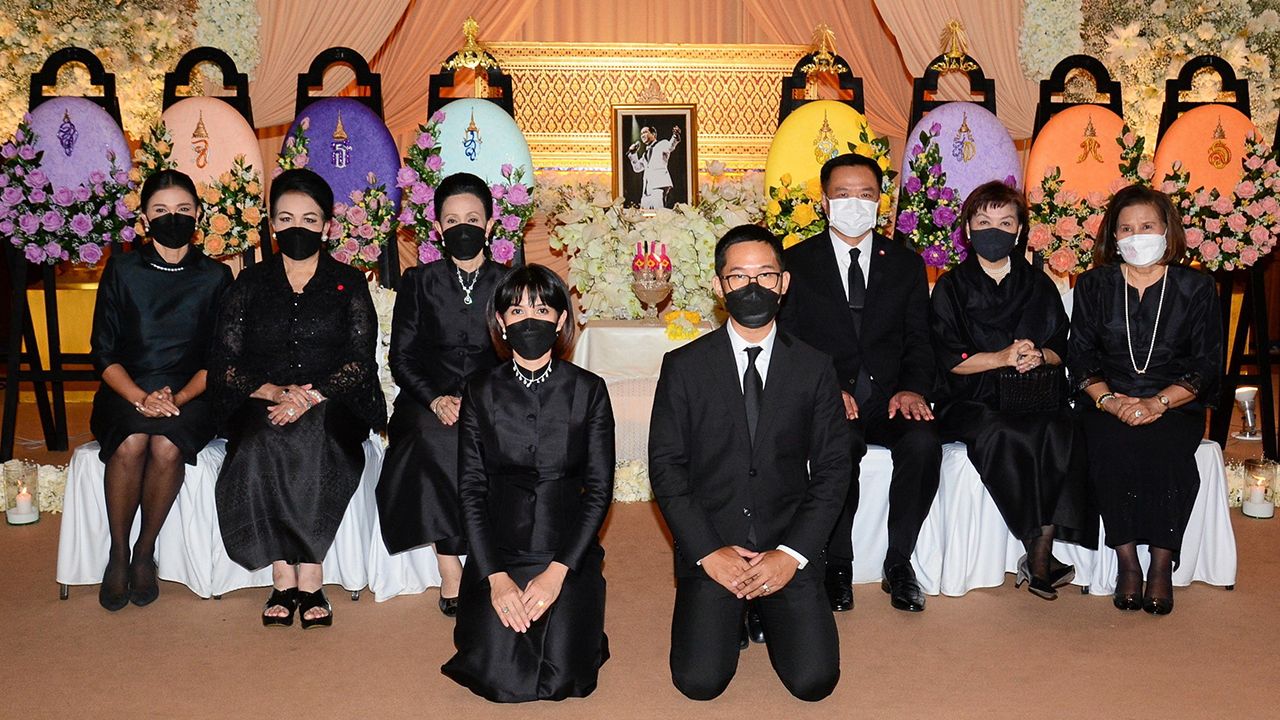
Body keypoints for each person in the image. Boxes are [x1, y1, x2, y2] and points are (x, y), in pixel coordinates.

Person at [650, 224, 851, 702]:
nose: (753, 286)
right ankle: (734, 610)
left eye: (765, 274)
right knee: (699, 683)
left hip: (785, 544)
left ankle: (765, 608)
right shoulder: (684, 367)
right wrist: (706, 551)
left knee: (814, 683)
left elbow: (832, 470)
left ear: (784, 283)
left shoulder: (814, 367)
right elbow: (667, 469)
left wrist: (792, 554)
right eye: (738, 277)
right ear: (720, 287)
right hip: (715, 545)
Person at [210, 168, 386, 629]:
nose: (297, 228)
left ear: (327, 225)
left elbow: (359, 361)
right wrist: (272, 392)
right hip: (261, 395)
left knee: (315, 437)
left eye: (309, 219)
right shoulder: (247, 284)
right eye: (286, 218)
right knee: (260, 440)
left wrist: (309, 397)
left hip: (334, 399)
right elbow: (224, 361)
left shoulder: (349, 283)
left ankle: (310, 576)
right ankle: (280, 574)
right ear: (271, 224)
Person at [441, 264, 614, 702]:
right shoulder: (479, 390)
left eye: (542, 309)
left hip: (566, 552)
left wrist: (558, 574)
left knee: (564, 677)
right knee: (498, 674)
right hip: (499, 550)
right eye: (516, 310)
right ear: (500, 322)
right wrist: (495, 577)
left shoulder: (589, 390)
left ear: (560, 320)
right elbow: (471, 489)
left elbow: (598, 490)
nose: (528, 319)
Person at [778, 153, 941, 614]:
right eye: (844, 195)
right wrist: (826, 387)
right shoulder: (795, 263)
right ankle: (837, 565)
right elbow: (787, 341)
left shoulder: (906, 265)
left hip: (890, 397)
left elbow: (919, 340)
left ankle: (899, 563)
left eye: (866, 195)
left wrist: (911, 388)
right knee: (840, 448)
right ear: (825, 203)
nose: (855, 203)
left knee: (924, 443)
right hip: (830, 397)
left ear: (881, 204)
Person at [929, 180, 1096, 600]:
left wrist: (1039, 355)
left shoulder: (1039, 284)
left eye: (1006, 222)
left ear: (1020, 231)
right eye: (984, 221)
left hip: (1033, 393)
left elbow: (1063, 345)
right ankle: (1037, 549)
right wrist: (1002, 357)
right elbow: (950, 358)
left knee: (1063, 429)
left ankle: (1041, 548)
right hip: (971, 398)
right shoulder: (950, 287)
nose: (994, 230)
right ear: (967, 229)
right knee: (1006, 432)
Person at [1068, 184, 1221, 616]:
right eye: (1126, 228)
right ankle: (1127, 563)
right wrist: (1111, 402)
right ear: (1113, 237)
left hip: (1177, 402)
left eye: (1147, 226)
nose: (1138, 236)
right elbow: (1080, 358)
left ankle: (1160, 563)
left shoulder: (1197, 287)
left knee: (1164, 449)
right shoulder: (1094, 285)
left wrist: (1158, 404)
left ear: (1167, 230)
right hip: (1106, 400)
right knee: (1111, 447)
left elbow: (1207, 364)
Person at [89, 169, 232, 611]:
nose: (174, 218)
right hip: (125, 389)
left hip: (192, 392)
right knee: (132, 441)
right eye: (162, 210)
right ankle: (117, 551)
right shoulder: (123, 269)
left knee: (167, 447)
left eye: (184, 210)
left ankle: (145, 551)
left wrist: (178, 399)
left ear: (199, 215)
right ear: (145, 218)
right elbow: (102, 351)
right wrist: (139, 397)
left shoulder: (216, 277)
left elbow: (219, 359)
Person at [375, 172, 503, 617]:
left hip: (492, 400)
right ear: (438, 228)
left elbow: (520, 355)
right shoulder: (419, 280)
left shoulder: (509, 284)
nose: (462, 227)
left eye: (472, 218)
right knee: (435, 437)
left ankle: (488, 558)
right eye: (451, 220)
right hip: (425, 401)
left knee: (478, 436)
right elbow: (403, 358)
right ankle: (452, 567)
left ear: (489, 225)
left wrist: (477, 401)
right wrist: (435, 399)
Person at [626, 124, 681, 209]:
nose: (642, 135)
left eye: (645, 132)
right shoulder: (645, 154)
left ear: (653, 134)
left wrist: (675, 136)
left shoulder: (662, 144)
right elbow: (637, 168)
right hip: (647, 189)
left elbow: (670, 146)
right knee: (645, 215)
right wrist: (633, 153)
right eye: (641, 134)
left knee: (658, 213)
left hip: (659, 185)